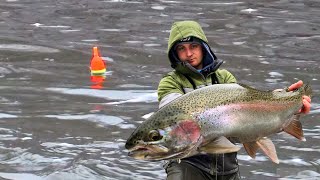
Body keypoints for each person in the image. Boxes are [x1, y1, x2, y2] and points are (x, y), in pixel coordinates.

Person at [157, 20, 312, 180]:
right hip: (187, 164)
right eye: (182, 48)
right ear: (175, 54)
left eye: (194, 46)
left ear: (203, 47)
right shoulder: (170, 82)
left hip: (226, 166)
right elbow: (173, 124)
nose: (189, 54)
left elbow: (242, 125)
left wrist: (284, 107)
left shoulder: (224, 77)